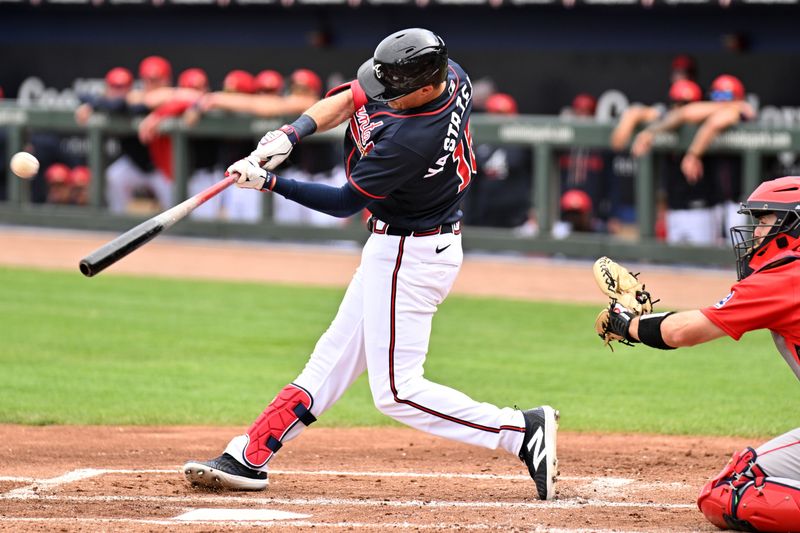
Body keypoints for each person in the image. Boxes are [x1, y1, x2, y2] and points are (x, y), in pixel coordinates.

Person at [182, 28, 559, 501]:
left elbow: (344, 202)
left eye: (395, 92)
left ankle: (520, 431)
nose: (385, 98)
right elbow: (349, 96)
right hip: (400, 247)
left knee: (397, 392)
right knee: (329, 362)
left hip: (412, 254)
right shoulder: (450, 73)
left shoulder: (413, 138)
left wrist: (269, 182)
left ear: (424, 88)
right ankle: (250, 454)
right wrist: (291, 132)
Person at [598, 175, 800, 532]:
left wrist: (626, 323)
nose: (756, 232)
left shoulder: (785, 275)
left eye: (766, 220)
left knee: (727, 492)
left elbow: (682, 332)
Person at [464, 92, 535, 234]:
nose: (500, 119)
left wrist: (534, 211)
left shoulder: (523, 143)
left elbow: (536, 177)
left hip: (517, 219)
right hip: (482, 219)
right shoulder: (476, 141)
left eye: (504, 114)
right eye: (496, 113)